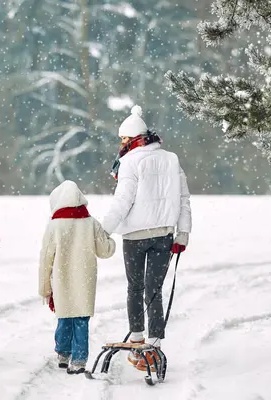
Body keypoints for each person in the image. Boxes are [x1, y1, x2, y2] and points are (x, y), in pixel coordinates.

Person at [102, 105, 192, 372]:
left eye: (123, 139)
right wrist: (183, 233)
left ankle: (138, 342)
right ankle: (154, 347)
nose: (121, 144)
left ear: (131, 138)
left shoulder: (130, 161)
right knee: (154, 292)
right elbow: (184, 199)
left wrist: (102, 230)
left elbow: (123, 201)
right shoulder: (171, 159)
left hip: (135, 236)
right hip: (164, 235)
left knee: (135, 289)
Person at [38, 180, 116, 374]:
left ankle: (63, 353)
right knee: (81, 319)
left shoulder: (54, 225)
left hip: (61, 280)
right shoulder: (91, 223)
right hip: (85, 280)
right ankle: (79, 360)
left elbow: (45, 258)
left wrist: (44, 288)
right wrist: (111, 241)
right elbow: (105, 251)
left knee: (64, 316)